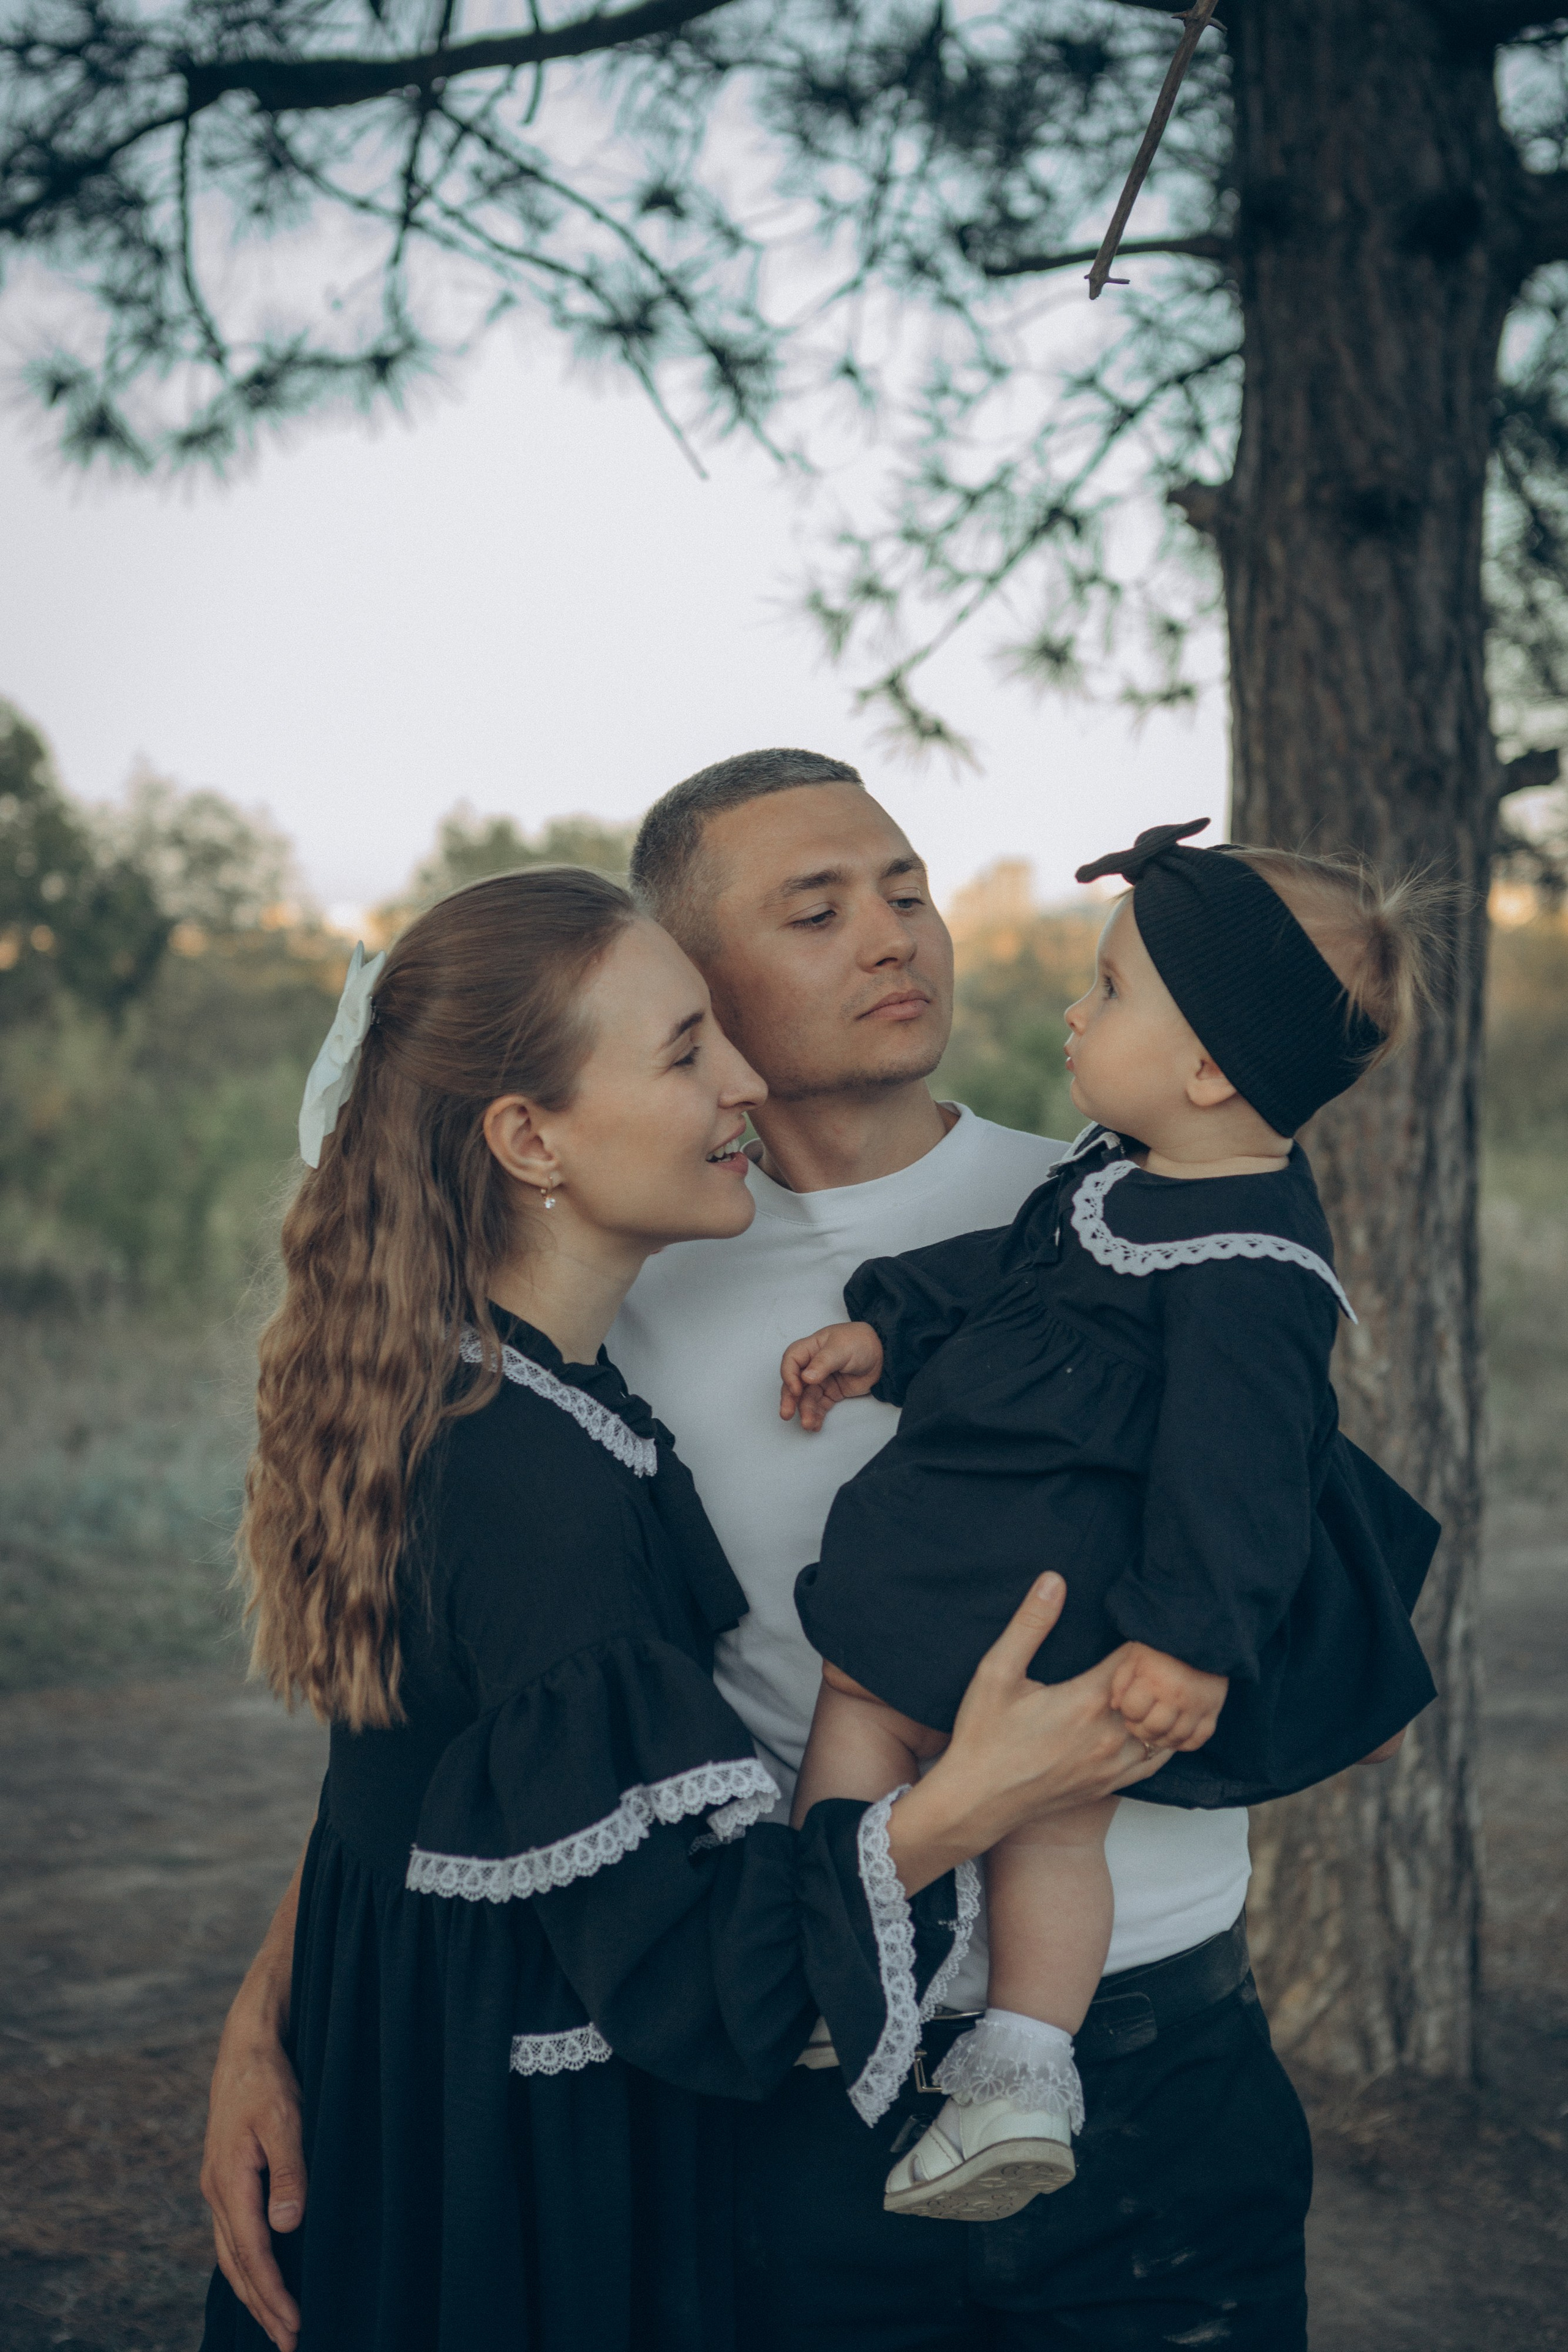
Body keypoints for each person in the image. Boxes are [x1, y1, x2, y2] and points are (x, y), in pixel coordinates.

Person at [202, 753, 1331, 2351]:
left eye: (908, 889)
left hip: (1147, 2075)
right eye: (817, 912)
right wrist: (272, 2026)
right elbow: (452, 1729)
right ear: (699, 990)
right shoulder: (616, 1295)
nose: (895, 937)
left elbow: (1296, 1580)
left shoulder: (1128, 1216)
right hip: (790, 2105)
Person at [780, 820, 1441, 2221]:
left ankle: (1019, 2068)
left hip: (1078, 1623)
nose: (1077, 1010)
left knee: (1048, 1820)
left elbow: (1244, 1478)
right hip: (956, 1568)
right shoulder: (1111, 1173)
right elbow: (1007, 1274)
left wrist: (1189, 1645)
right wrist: (887, 1336)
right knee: (869, 1706)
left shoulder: (1252, 1266)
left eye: (1110, 988)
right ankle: (841, 1973)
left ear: (1207, 1068)